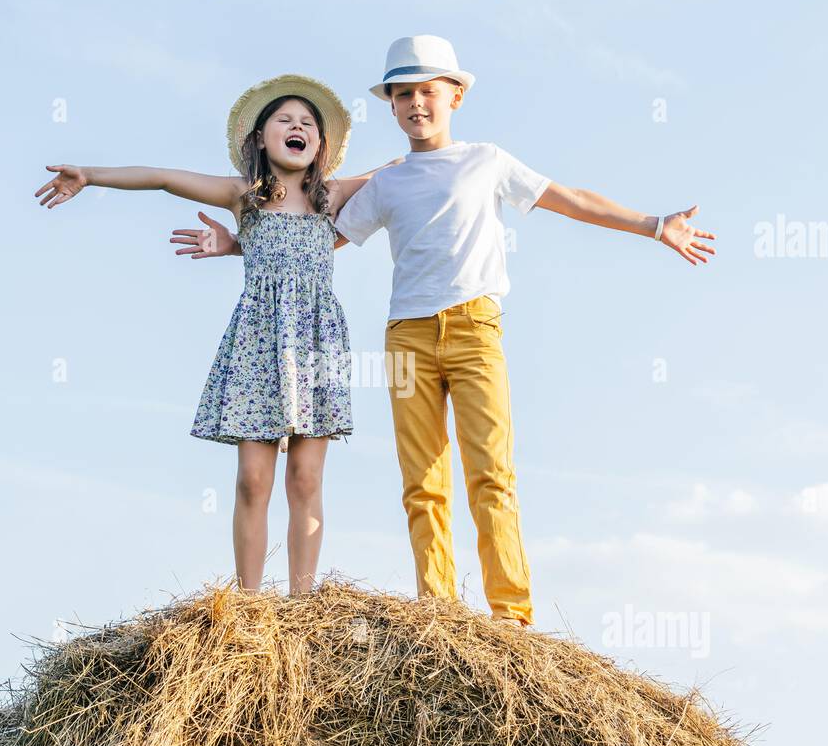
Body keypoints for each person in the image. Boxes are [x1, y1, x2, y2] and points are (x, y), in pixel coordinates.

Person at [171, 36, 716, 627]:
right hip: (406, 336)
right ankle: (440, 612)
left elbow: (571, 199)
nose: (416, 104)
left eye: (428, 91)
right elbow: (303, 242)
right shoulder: (387, 182)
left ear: (454, 95)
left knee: (490, 473)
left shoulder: (487, 160)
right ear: (392, 106)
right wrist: (234, 245)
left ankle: (510, 617)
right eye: (403, 94)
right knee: (422, 483)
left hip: (475, 328)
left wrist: (655, 225)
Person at [36, 74, 394, 595]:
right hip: (257, 342)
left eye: (308, 124)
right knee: (254, 478)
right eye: (285, 121)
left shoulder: (333, 196)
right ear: (259, 140)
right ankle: (248, 602)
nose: (298, 128)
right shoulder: (242, 196)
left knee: (307, 478)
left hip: (316, 342)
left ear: (320, 144)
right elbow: (161, 177)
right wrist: (90, 174)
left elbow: (401, 170)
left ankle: (302, 603)